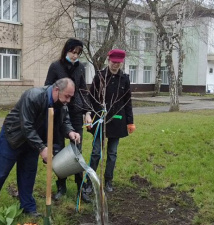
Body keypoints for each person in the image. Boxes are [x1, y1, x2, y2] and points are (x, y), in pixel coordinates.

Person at [0, 78, 80, 217]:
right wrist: (42, 148)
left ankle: (28, 208)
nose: (68, 100)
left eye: (71, 97)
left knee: (28, 174)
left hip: (33, 142)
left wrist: (70, 131)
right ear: (56, 90)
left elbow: (65, 120)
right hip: (13, 138)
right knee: (1, 172)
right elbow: (26, 126)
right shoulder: (33, 96)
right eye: (67, 96)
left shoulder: (61, 103)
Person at [44, 38, 91, 202]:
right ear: (66, 50)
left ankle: (81, 188)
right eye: (73, 51)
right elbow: (47, 87)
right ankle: (61, 186)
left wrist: (88, 112)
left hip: (76, 112)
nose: (75, 55)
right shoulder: (55, 66)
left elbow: (84, 91)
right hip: (58, 114)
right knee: (58, 151)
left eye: (78, 53)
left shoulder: (81, 68)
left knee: (77, 151)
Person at [85, 49, 136, 193]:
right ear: (109, 60)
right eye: (114, 62)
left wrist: (130, 122)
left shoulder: (124, 79)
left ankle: (108, 181)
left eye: (119, 63)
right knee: (96, 152)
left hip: (117, 122)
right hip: (100, 120)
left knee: (112, 154)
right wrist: (89, 114)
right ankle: (90, 181)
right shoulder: (100, 77)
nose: (116, 65)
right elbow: (91, 98)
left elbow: (127, 102)